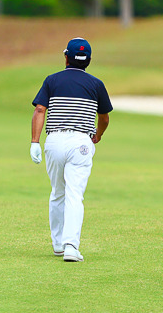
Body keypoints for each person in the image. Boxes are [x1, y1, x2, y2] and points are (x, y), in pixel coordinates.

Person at [30, 37, 113, 263]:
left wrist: (35, 142)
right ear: (89, 60)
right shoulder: (96, 84)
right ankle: (70, 247)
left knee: (58, 192)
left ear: (66, 56)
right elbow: (104, 117)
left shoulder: (52, 80)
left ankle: (58, 244)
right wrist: (99, 134)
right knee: (75, 194)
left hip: (54, 141)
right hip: (81, 143)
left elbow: (40, 109)